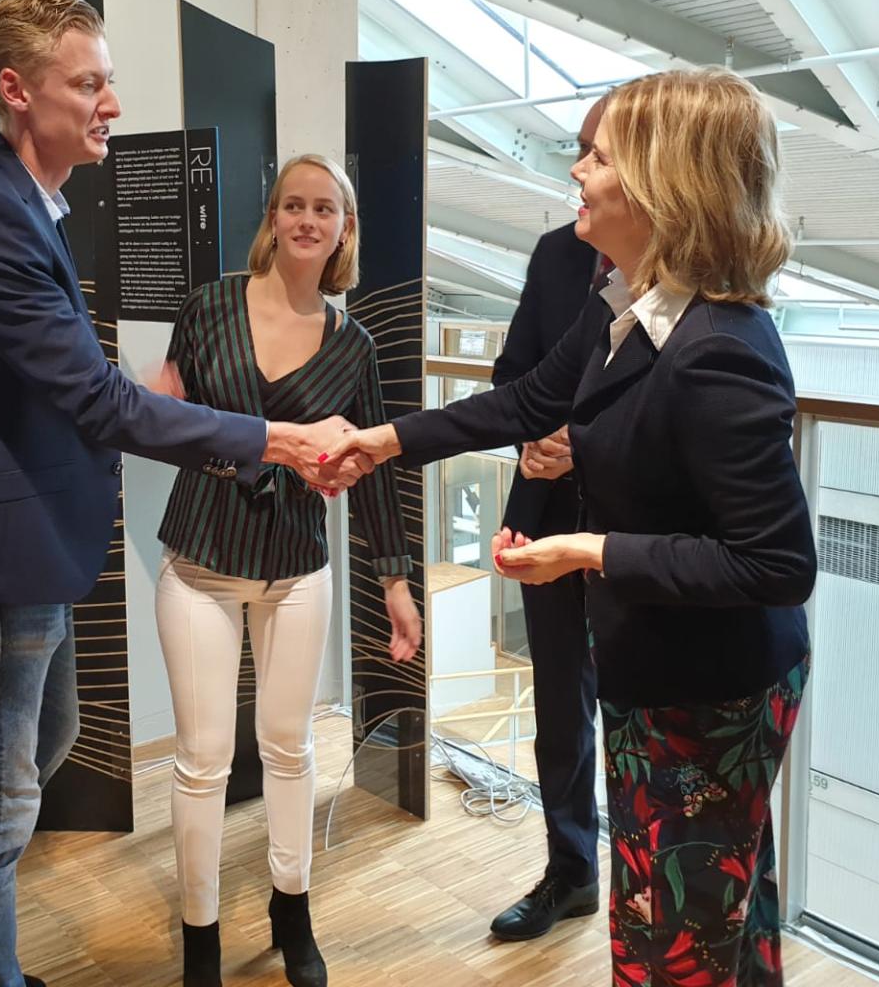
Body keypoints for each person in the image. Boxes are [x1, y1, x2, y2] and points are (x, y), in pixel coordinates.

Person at [0, 0, 361, 987]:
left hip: (35, 539)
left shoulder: (24, 203)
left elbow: (89, 393)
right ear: (17, 91)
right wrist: (272, 439)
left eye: (109, 79)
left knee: (41, 747)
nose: (111, 101)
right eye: (88, 82)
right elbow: (101, 402)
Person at [329, 68, 815, 986]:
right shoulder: (635, 308)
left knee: (673, 943)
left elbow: (778, 562)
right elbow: (533, 396)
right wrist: (384, 440)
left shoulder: (717, 350)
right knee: (721, 921)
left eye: (598, 156)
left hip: (705, 691)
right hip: (667, 668)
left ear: (663, 181)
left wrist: (590, 550)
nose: (578, 172)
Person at [151, 155, 423, 987]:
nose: (308, 221)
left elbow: (374, 467)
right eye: (294, 206)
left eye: (325, 209)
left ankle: (290, 906)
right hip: (199, 563)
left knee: (289, 748)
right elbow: (163, 418)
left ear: (344, 229)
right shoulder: (207, 308)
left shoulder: (356, 347)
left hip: (297, 567)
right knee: (201, 760)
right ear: (272, 218)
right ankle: (200, 934)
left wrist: (396, 582)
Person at [485, 99, 605, 942]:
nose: (578, 171)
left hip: (636, 528)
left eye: (595, 155)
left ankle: (645, 878)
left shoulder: (699, 271)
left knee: (636, 701)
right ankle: (572, 873)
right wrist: (536, 437)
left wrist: (582, 446)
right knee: (561, 704)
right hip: (543, 513)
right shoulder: (555, 254)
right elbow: (514, 370)